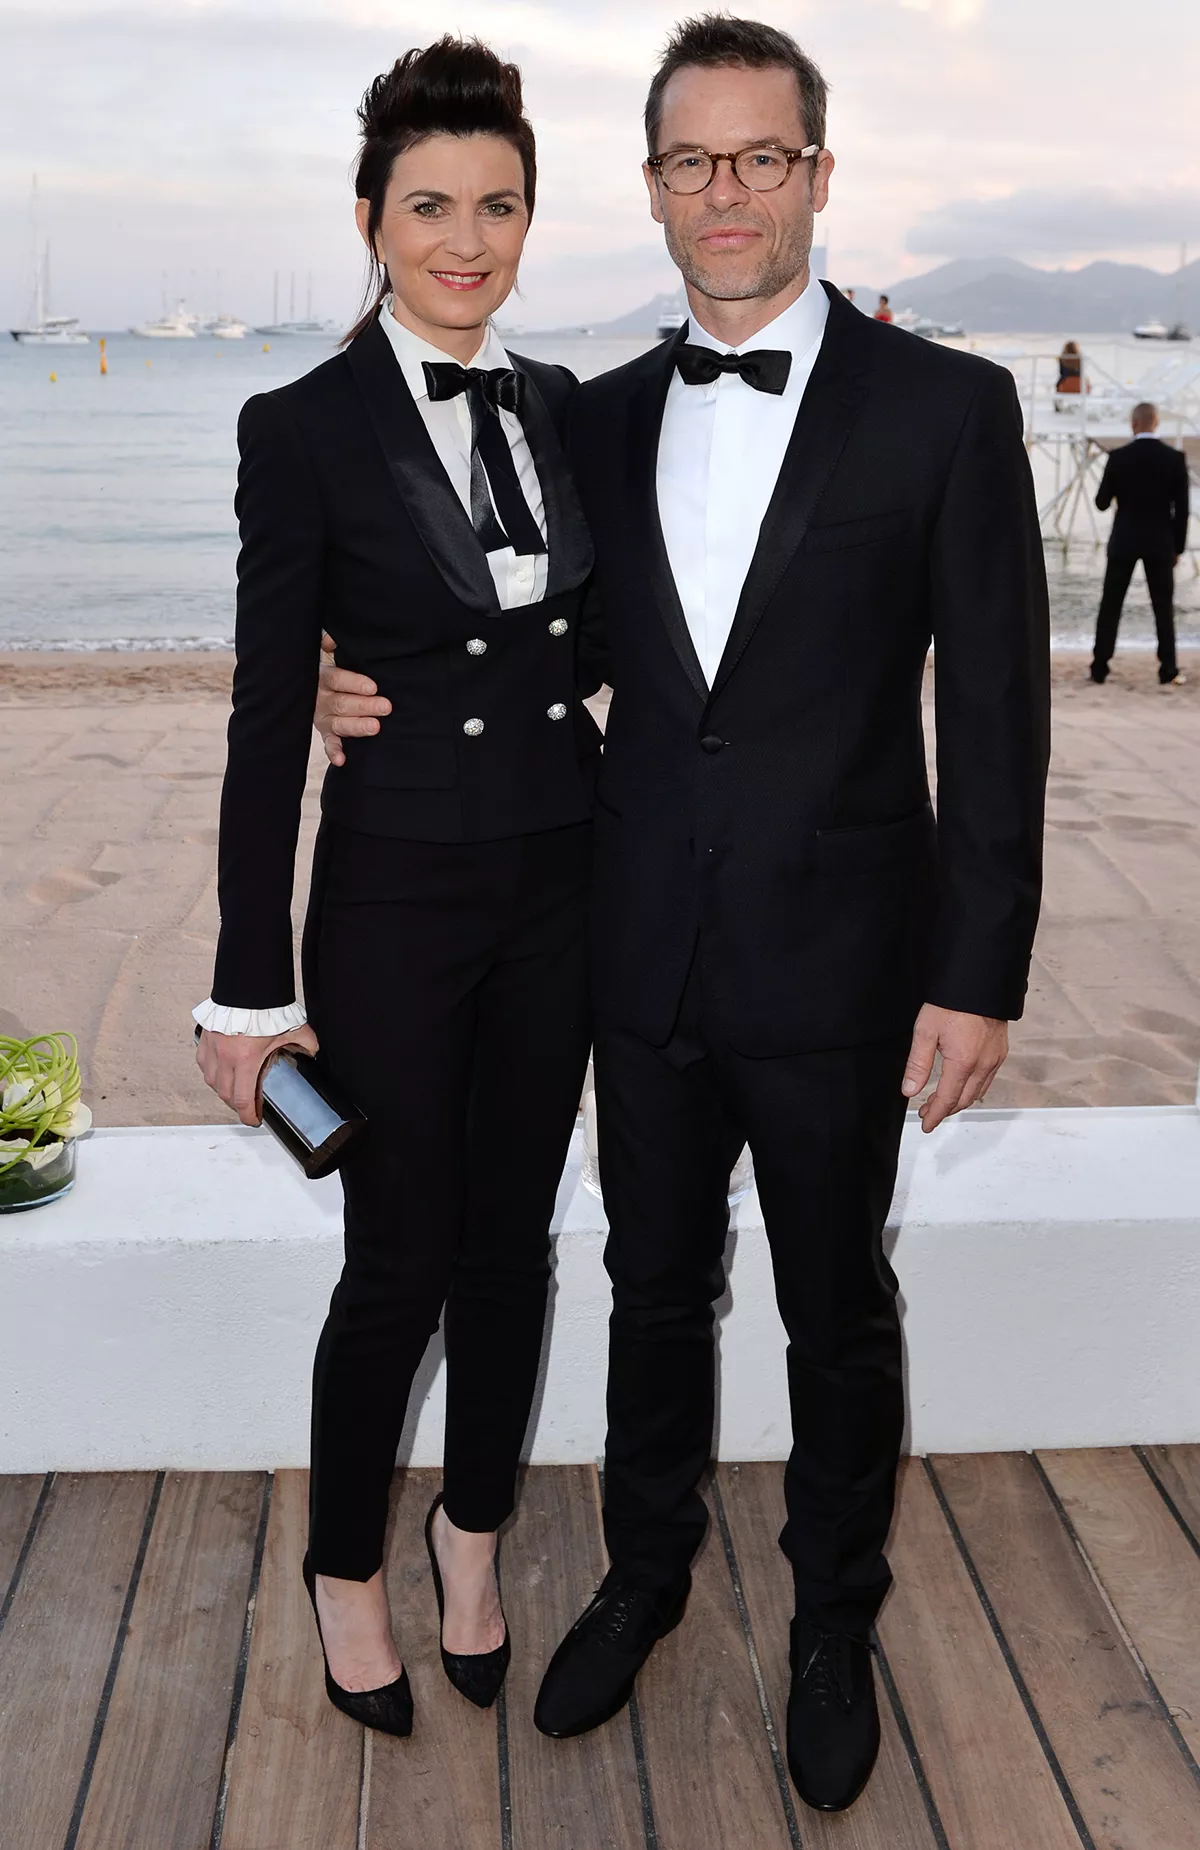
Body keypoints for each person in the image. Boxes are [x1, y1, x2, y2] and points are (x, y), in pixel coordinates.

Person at [316, 12, 1050, 1814]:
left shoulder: (948, 407)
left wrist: (980, 971)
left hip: (847, 954)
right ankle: (646, 1577)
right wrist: (348, 675)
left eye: (762, 156)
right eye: (692, 161)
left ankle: (828, 1629)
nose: (728, 193)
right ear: (650, 188)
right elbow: (466, 582)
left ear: (816, 172)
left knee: (833, 1308)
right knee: (651, 1289)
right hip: (630, 942)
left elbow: (1007, 712)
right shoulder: (588, 413)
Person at [195, 37, 604, 1738]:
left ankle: (475, 1532)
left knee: (515, 1247)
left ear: (528, 221)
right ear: (370, 218)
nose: (465, 237)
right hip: (390, 906)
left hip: (565, 884)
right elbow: (270, 707)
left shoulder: (579, 409)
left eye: (496, 205)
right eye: (429, 203)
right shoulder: (297, 427)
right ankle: (345, 1567)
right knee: (399, 1257)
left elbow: (675, 611)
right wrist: (244, 980)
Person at [1090, 401, 1189, 686]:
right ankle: (1168, 667)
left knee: (1111, 604)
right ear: (1156, 423)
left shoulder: (1119, 457)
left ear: (1133, 424)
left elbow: (1101, 503)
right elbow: (1181, 510)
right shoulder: (1174, 458)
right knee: (1162, 607)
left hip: (1125, 539)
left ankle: (1100, 665)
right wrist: (1178, 547)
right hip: (1160, 541)